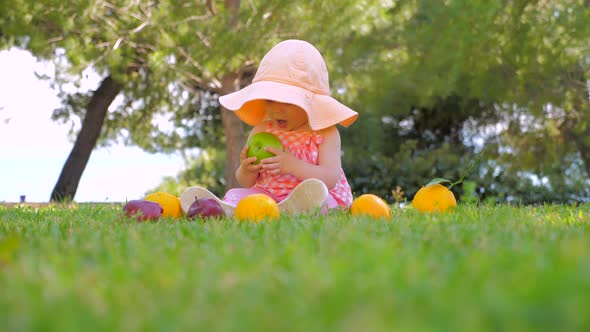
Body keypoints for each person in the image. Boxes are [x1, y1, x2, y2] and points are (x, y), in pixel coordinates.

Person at [180, 39, 358, 217]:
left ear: (310, 103)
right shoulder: (262, 130)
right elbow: (246, 183)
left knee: (321, 200)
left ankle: (294, 209)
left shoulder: (325, 132)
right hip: (268, 196)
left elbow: (330, 179)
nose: (276, 109)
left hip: (311, 195)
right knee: (237, 195)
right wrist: (247, 169)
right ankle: (220, 208)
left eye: (287, 101)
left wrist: (292, 165)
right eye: (270, 100)